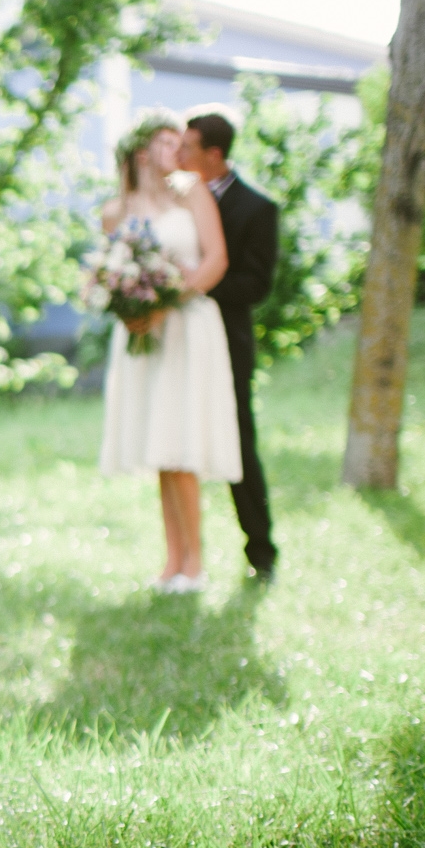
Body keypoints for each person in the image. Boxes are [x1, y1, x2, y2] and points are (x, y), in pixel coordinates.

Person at [97, 111, 241, 593]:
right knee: (160, 448)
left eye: (181, 144)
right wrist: (130, 310)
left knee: (181, 446)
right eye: (167, 143)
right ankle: (172, 560)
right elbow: (107, 274)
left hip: (187, 329)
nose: (177, 153)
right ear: (142, 152)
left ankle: (195, 564)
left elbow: (216, 260)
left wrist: (168, 303)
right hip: (145, 338)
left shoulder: (192, 193)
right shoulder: (116, 211)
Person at [179, 108, 280, 582]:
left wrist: (197, 285)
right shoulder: (174, 203)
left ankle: (260, 549)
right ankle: (184, 558)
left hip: (227, 340)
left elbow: (257, 285)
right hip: (177, 340)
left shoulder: (257, 209)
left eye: (188, 148)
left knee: (240, 440)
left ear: (213, 155)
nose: (179, 155)